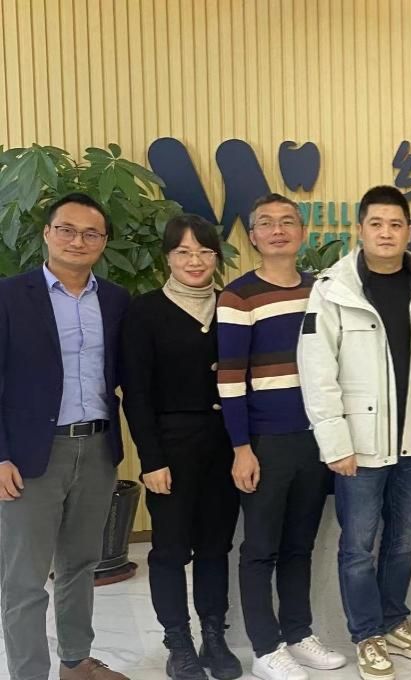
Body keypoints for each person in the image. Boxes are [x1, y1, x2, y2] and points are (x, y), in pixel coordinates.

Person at [298, 186, 411, 680]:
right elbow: (317, 371)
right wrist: (335, 443)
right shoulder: (333, 288)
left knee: (405, 540)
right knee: (358, 546)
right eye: (376, 223)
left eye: (396, 224)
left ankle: (393, 619)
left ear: (408, 231)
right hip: (358, 445)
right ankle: (366, 634)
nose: (386, 233)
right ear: (360, 229)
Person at [0, 193, 131, 680]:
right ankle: (29, 674)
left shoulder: (116, 300)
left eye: (91, 233)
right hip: (31, 456)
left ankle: (76, 662)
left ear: (103, 242)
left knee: (80, 565)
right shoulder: (10, 296)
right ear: (47, 233)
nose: (78, 240)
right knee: (24, 580)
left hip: (96, 449)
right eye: (67, 229)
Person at [218, 193, 344, 680]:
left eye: (287, 221)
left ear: (302, 231)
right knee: (260, 548)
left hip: (315, 438)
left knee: (299, 545)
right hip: (265, 442)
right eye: (266, 223)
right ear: (253, 236)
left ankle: (297, 633)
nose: (277, 230)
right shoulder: (238, 297)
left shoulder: (321, 291)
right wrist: (241, 448)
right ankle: (264, 647)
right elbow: (230, 379)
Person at [122, 215, 241, 680]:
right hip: (171, 447)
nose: (195, 261)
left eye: (205, 252)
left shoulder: (230, 305)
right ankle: (178, 643)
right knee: (170, 550)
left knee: (215, 546)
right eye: (183, 252)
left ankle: (214, 636)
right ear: (167, 257)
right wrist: (150, 459)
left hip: (225, 444)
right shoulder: (145, 311)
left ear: (217, 256)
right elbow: (136, 393)